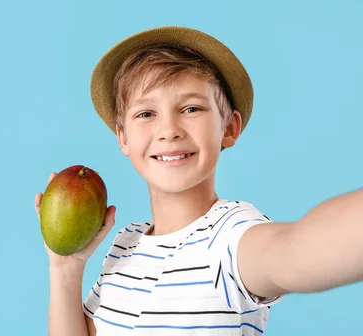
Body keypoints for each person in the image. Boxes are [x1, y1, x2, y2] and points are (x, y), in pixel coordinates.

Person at [34, 26, 363, 335]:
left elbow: (296, 251)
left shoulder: (228, 237)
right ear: (123, 139)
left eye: (191, 108)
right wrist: (65, 268)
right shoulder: (126, 244)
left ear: (229, 128)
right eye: (146, 114)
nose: (169, 130)